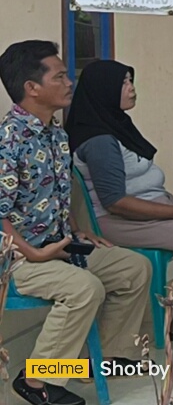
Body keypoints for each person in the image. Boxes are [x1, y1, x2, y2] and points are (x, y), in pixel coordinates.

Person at [0, 41, 149, 405]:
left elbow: (53, 192)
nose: (70, 83)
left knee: (133, 268)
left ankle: (100, 360)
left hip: (58, 245)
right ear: (32, 88)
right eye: (61, 76)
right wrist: (32, 254)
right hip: (15, 258)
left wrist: (75, 229)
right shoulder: (9, 139)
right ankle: (37, 379)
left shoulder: (55, 134)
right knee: (84, 289)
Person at [66, 60, 173, 344]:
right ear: (104, 90)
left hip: (151, 205)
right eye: (124, 83)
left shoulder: (114, 123)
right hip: (118, 220)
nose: (132, 89)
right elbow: (116, 202)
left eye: (131, 80)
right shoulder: (99, 141)